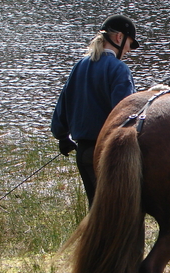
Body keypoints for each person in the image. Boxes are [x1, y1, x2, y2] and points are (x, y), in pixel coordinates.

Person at [51, 14, 140, 206]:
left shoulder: (79, 66)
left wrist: (62, 137)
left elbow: (62, 106)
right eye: (129, 44)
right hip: (107, 154)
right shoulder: (119, 69)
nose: (128, 50)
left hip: (83, 153)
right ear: (119, 38)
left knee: (95, 210)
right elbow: (124, 115)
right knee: (116, 210)